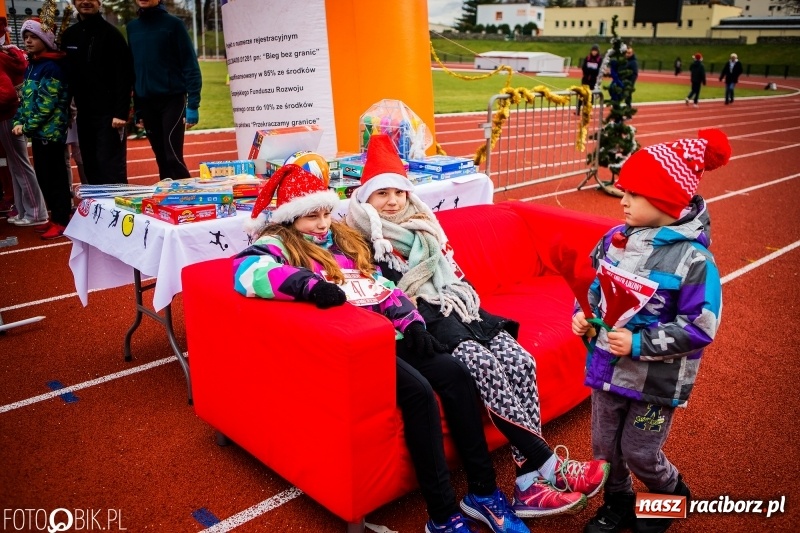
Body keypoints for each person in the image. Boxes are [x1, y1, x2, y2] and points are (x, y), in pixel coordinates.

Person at [234, 164, 530, 533]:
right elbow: (248, 273)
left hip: (389, 333)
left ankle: (483, 494)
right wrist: (308, 287)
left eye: (326, 213)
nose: (322, 223)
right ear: (291, 217)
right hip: (351, 347)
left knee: (456, 373)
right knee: (420, 394)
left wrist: (412, 323)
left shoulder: (342, 239)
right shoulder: (278, 244)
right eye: (312, 216)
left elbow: (381, 287)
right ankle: (442, 515)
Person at [346, 135, 610, 520]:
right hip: (422, 322)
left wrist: (462, 296)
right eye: (381, 193)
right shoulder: (361, 237)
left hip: (460, 308)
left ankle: (526, 482)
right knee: (484, 366)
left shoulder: (425, 225)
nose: (392, 201)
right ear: (364, 198)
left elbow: (455, 273)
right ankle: (551, 467)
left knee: (520, 360)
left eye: (398, 191)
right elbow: (380, 291)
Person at [573, 129, 730, 533]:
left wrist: (641, 343)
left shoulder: (694, 262)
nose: (621, 200)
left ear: (665, 201)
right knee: (605, 451)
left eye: (634, 194)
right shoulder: (614, 240)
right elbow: (592, 288)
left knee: (640, 452)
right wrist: (583, 316)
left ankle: (669, 495)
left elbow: (701, 326)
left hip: (655, 383)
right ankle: (619, 502)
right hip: (607, 371)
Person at [60, 0, 134, 185]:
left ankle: (118, 210)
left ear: (99, 2)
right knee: (91, 166)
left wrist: (120, 113)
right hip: (83, 115)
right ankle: (98, 212)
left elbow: (124, 76)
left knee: (111, 168)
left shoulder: (112, 35)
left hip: (109, 116)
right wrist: (66, 109)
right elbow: (66, 76)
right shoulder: (70, 35)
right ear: (75, 2)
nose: (86, 2)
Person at [127, 0, 201, 180]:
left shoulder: (174, 24)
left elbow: (190, 64)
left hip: (172, 101)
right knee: (161, 157)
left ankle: (188, 197)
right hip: (146, 102)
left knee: (172, 156)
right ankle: (169, 200)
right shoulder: (132, 28)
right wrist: (137, 108)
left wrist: (193, 104)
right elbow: (133, 71)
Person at [12, 18, 71, 239]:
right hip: (38, 133)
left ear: (45, 39)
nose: (28, 40)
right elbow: (25, 100)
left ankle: (62, 220)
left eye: (33, 36)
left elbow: (46, 104)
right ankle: (55, 218)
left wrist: (25, 125)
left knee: (55, 178)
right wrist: (19, 119)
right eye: (25, 36)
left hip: (51, 134)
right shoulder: (33, 65)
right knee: (45, 178)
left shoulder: (53, 67)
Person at [0, 16, 48, 226]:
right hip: (10, 113)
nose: (27, 41)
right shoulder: (10, 53)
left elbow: (7, 93)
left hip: (7, 114)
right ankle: (23, 210)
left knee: (20, 164)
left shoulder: (4, 56)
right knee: (15, 165)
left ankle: (36, 213)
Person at [578, 44, 602, 115]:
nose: (594, 52)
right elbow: (584, 68)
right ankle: (578, 109)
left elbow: (598, 70)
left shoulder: (599, 59)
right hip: (585, 79)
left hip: (593, 80)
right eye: (593, 51)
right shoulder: (587, 58)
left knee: (590, 95)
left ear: (598, 52)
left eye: (595, 51)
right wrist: (591, 70)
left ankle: (588, 110)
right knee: (582, 94)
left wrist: (591, 70)